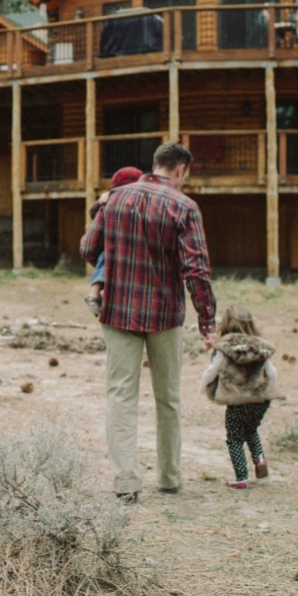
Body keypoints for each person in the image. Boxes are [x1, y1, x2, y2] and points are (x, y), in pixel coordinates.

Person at [80, 142, 217, 503]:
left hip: (119, 311)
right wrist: (207, 320)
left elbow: (87, 249)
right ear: (180, 170)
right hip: (164, 313)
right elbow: (197, 270)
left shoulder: (116, 199)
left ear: (155, 165)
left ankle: (126, 482)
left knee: (121, 395)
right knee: (168, 397)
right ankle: (170, 477)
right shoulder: (185, 207)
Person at [200, 306, 281, 489]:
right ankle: (259, 459)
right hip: (260, 400)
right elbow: (272, 372)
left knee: (234, 437)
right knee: (250, 430)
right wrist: (270, 390)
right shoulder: (261, 346)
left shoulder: (225, 347)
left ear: (226, 325)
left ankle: (241, 477)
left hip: (238, 401)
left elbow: (212, 370)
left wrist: (202, 385)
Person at [83, 166, 144, 316]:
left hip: (124, 252)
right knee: (106, 256)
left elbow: (87, 248)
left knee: (109, 258)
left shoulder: (140, 203)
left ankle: (98, 292)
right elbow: (92, 214)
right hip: (116, 249)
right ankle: (94, 293)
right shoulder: (111, 201)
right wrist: (100, 202)